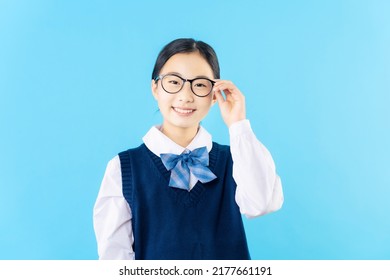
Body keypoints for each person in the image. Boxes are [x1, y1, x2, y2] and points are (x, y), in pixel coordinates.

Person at [93, 38, 283, 260]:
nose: (185, 96)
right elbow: (114, 260)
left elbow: (261, 204)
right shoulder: (123, 168)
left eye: (200, 84)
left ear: (215, 94)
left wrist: (238, 124)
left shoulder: (237, 159)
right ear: (155, 88)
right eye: (174, 82)